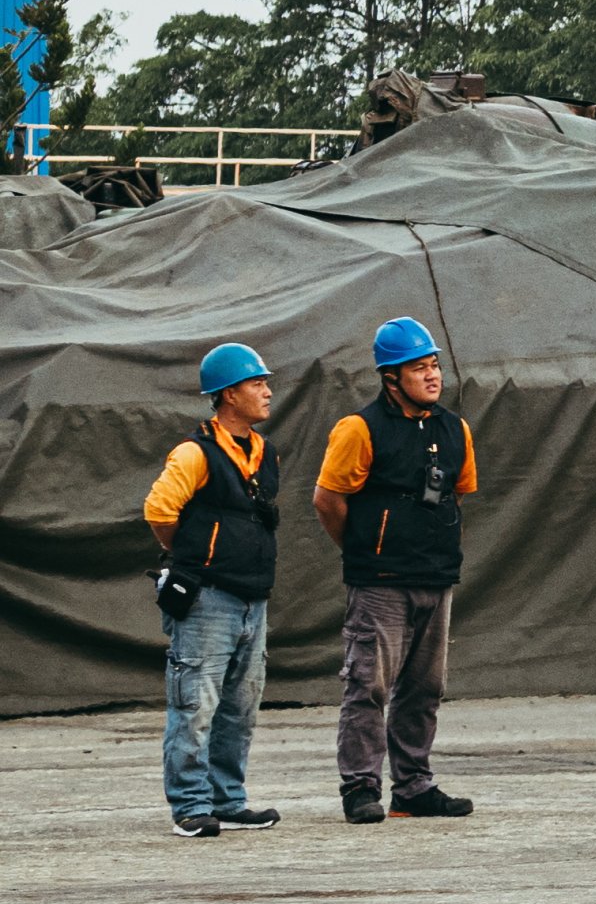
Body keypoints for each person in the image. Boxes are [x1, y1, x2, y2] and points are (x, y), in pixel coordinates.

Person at [315, 315, 478, 824]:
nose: (432, 375)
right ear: (391, 378)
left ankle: (413, 787)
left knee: (424, 689)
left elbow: (457, 495)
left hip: (435, 578)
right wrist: (366, 550)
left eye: (434, 365)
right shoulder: (359, 429)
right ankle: (360, 788)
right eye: (418, 367)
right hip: (380, 581)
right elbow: (327, 500)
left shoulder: (455, 429)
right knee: (369, 685)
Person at [146, 342, 287, 838]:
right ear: (229, 394)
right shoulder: (194, 452)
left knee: (240, 708)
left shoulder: (266, 452)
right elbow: (160, 511)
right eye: (257, 383)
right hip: (207, 598)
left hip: (253, 599)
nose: (267, 392)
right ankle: (190, 806)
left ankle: (228, 800)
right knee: (194, 706)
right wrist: (190, 556)